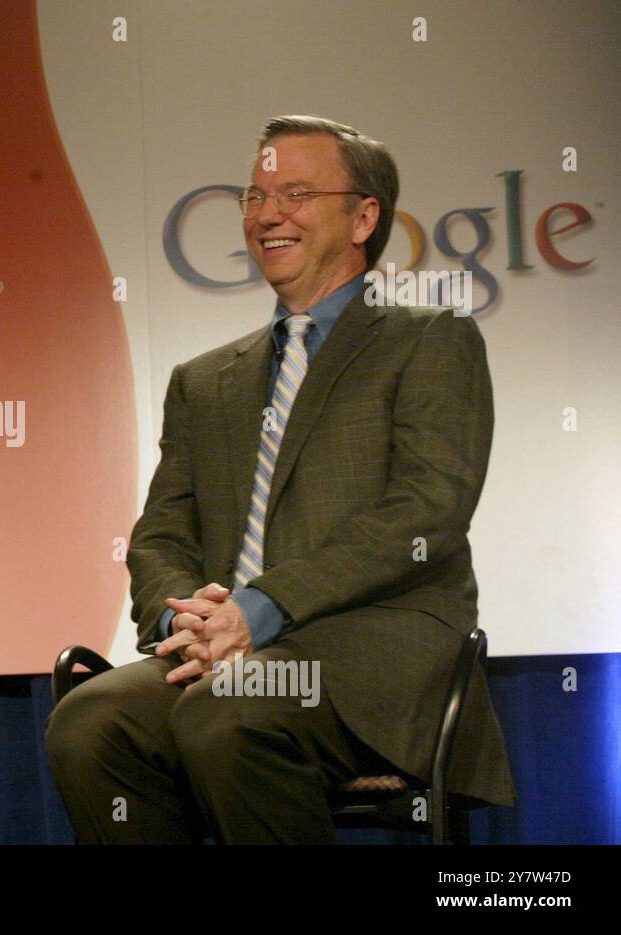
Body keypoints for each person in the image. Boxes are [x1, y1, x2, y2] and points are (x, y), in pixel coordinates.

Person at [45, 116, 516, 844]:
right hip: (225, 658)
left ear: (364, 217)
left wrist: (261, 607)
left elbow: (426, 513)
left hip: (372, 660)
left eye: (295, 192)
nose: (267, 214)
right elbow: (161, 533)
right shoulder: (204, 380)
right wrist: (183, 621)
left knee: (227, 708)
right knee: (89, 720)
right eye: (254, 196)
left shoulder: (430, 338)